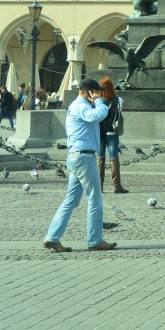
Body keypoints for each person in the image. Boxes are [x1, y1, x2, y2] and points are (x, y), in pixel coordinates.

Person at [43, 78, 116, 253]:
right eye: (96, 91)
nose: (99, 94)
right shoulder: (81, 106)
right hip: (84, 158)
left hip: (77, 157)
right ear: (88, 91)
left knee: (71, 200)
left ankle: (52, 237)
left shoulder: (78, 106)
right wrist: (97, 101)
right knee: (95, 199)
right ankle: (95, 240)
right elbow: (98, 115)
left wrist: (96, 102)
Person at [95, 77, 128, 194]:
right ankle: (117, 186)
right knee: (114, 159)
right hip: (112, 133)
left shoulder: (97, 101)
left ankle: (99, 187)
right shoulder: (118, 100)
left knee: (100, 159)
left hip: (99, 133)